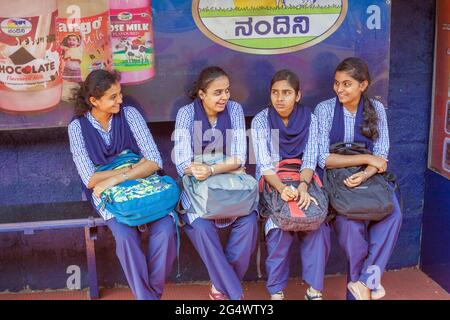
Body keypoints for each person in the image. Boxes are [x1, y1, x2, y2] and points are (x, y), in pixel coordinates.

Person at [68, 70, 176, 300]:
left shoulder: (130, 115)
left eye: (120, 94)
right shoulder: (77, 128)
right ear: (93, 101)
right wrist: (135, 167)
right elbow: (89, 178)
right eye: (112, 97)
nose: (120, 100)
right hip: (109, 196)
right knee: (126, 237)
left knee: (166, 231)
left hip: (145, 188)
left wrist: (116, 176)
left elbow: (155, 161)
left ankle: (150, 296)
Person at [314, 57, 402, 300]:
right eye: (337, 83)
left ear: (363, 85)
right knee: (352, 230)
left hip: (369, 179)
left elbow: (381, 156)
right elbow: (324, 158)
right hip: (338, 181)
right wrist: (364, 161)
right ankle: (364, 287)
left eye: (347, 84)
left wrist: (365, 172)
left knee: (393, 212)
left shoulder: (376, 109)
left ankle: (365, 283)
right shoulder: (324, 110)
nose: (339, 89)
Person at [173, 66, 258, 300]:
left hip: (231, 187)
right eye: (217, 92)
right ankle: (234, 293)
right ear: (202, 94)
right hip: (197, 189)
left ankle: (220, 288)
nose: (225, 97)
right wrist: (224, 164)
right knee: (201, 226)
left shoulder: (235, 110)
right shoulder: (186, 113)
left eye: (227, 91)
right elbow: (182, 163)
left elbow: (240, 157)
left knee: (249, 221)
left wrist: (210, 168)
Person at [251, 69, 331, 300]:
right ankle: (276, 291)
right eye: (275, 93)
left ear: (297, 95)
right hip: (273, 181)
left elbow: (310, 159)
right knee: (278, 227)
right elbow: (265, 165)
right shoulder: (261, 120)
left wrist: (303, 187)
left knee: (317, 226)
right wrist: (283, 189)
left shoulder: (310, 118)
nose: (280, 98)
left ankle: (314, 290)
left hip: (304, 179)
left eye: (286, 92)